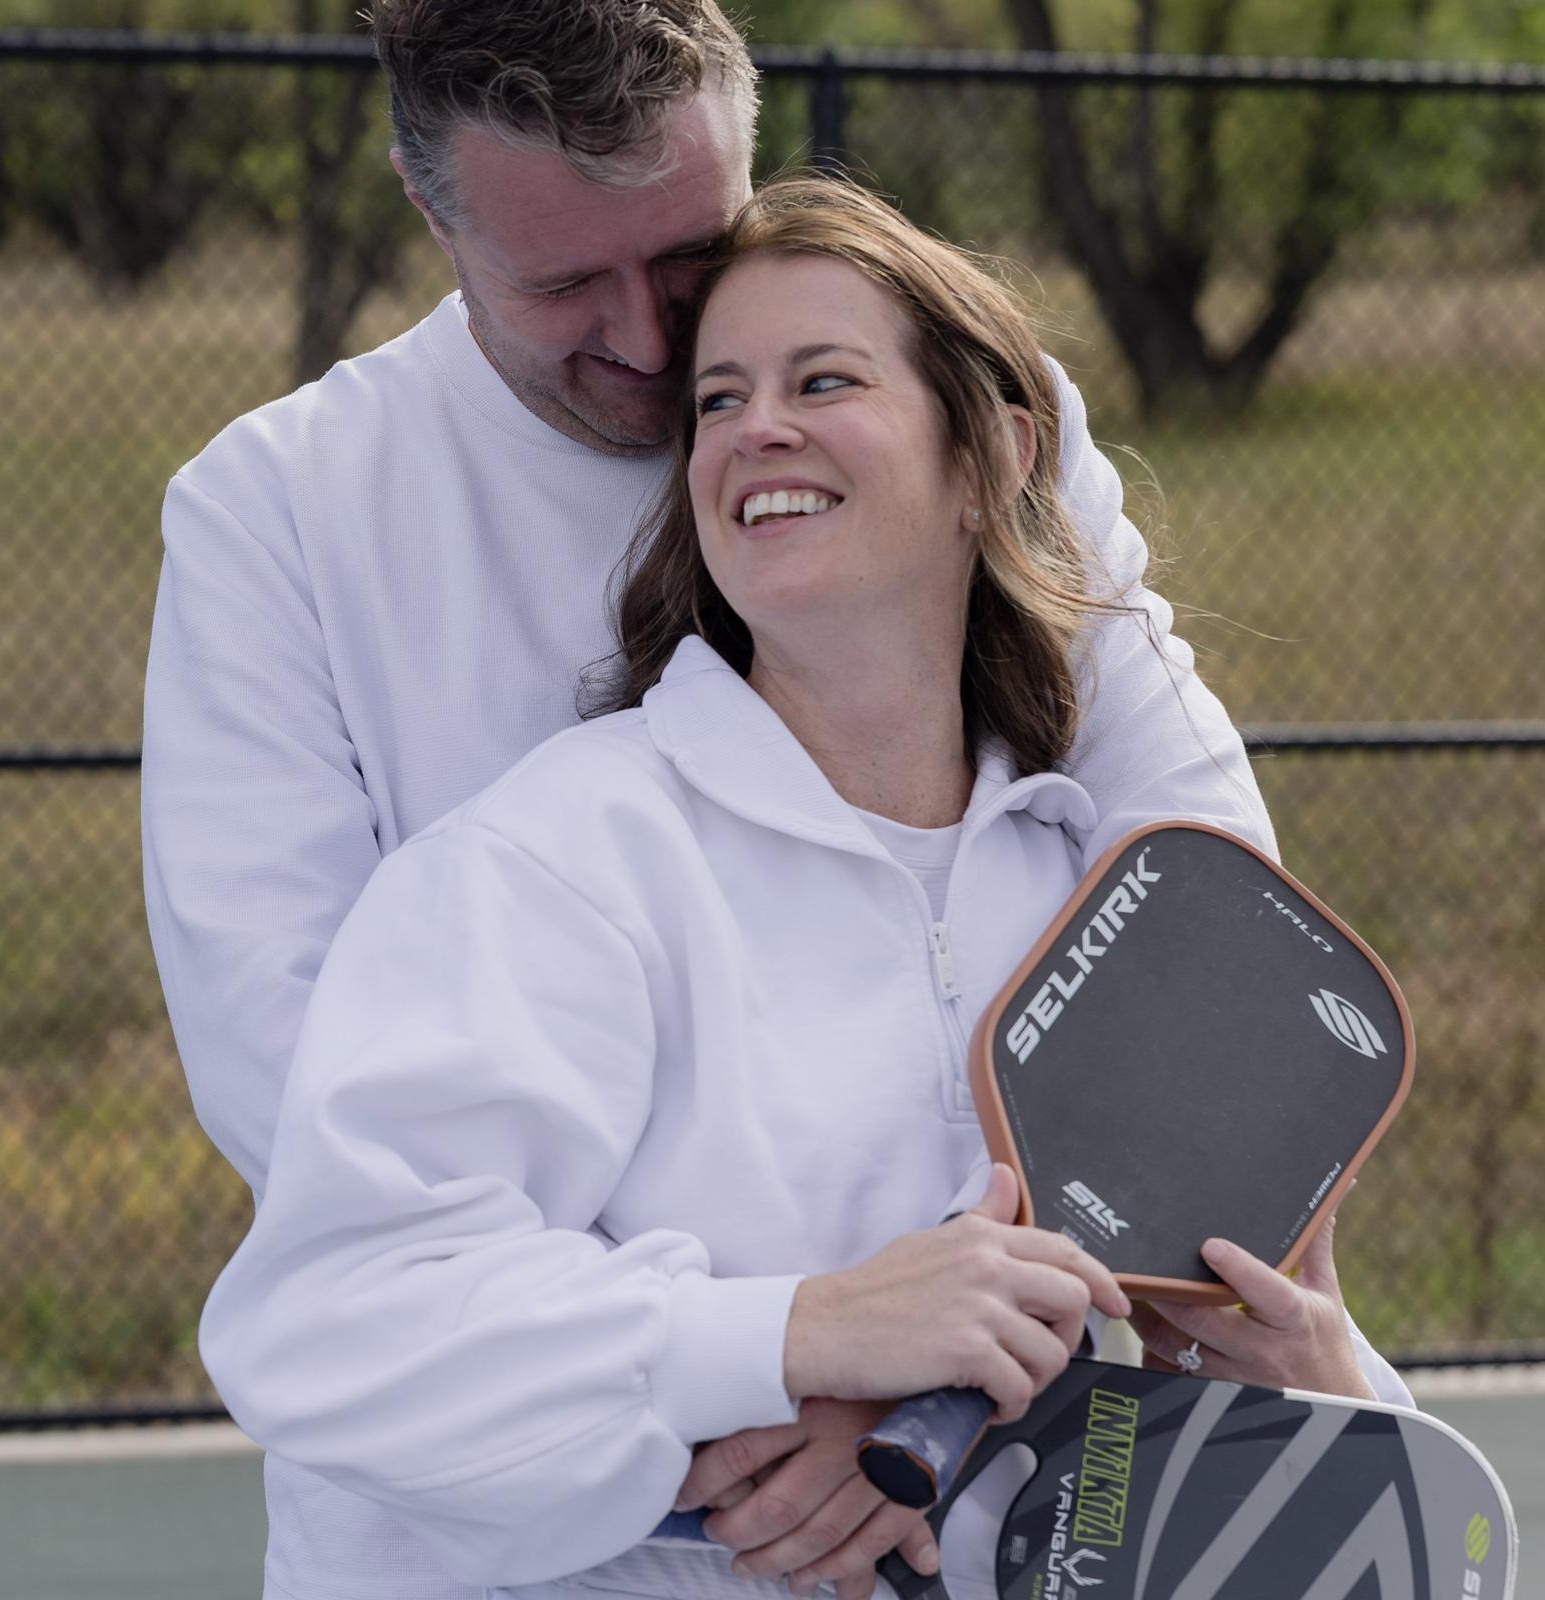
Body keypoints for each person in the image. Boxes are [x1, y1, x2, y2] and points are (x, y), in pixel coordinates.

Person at [144, 3, 1274, 1596]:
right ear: (432, 215)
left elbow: (1208, 913)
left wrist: (939, 1368)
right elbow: (317, 1115)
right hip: (526, 1532)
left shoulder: (970, 439)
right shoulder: (284, 520)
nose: (652, 339)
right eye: (563, 284)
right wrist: (779, 1354)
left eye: (687, 255)